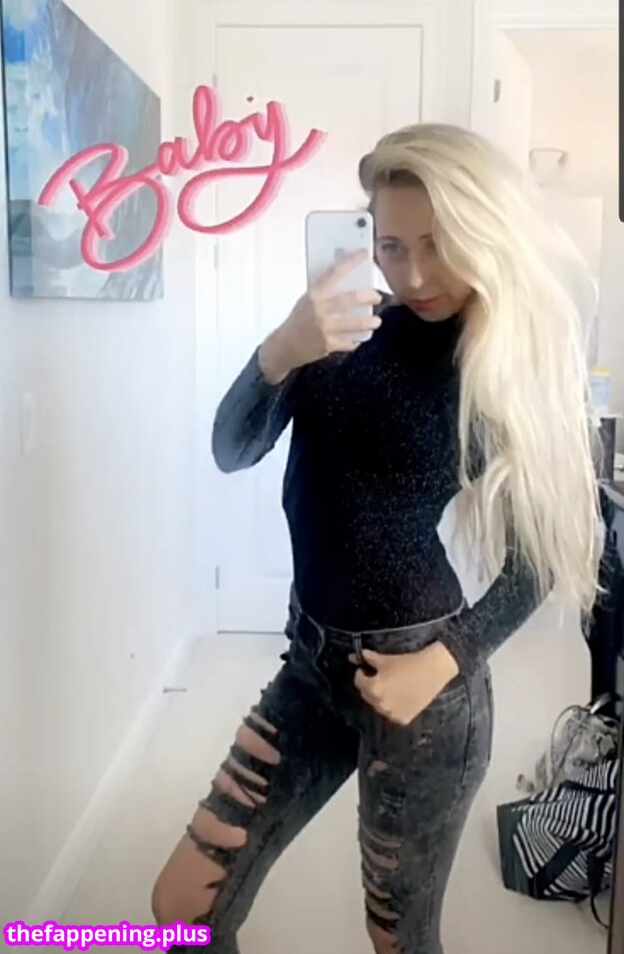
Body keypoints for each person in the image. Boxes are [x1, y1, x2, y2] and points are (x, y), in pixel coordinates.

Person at [152, 124, 603, 953]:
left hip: (423, 684)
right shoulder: (342, 327)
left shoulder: (495, 361)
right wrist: (282, 350)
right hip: (311, 666)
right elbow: (231, 449)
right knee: (181, 905)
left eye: (438, 244)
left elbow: (540, 555)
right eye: (391, 246)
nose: (414, 274)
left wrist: (444, 660)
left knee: (397, 938)